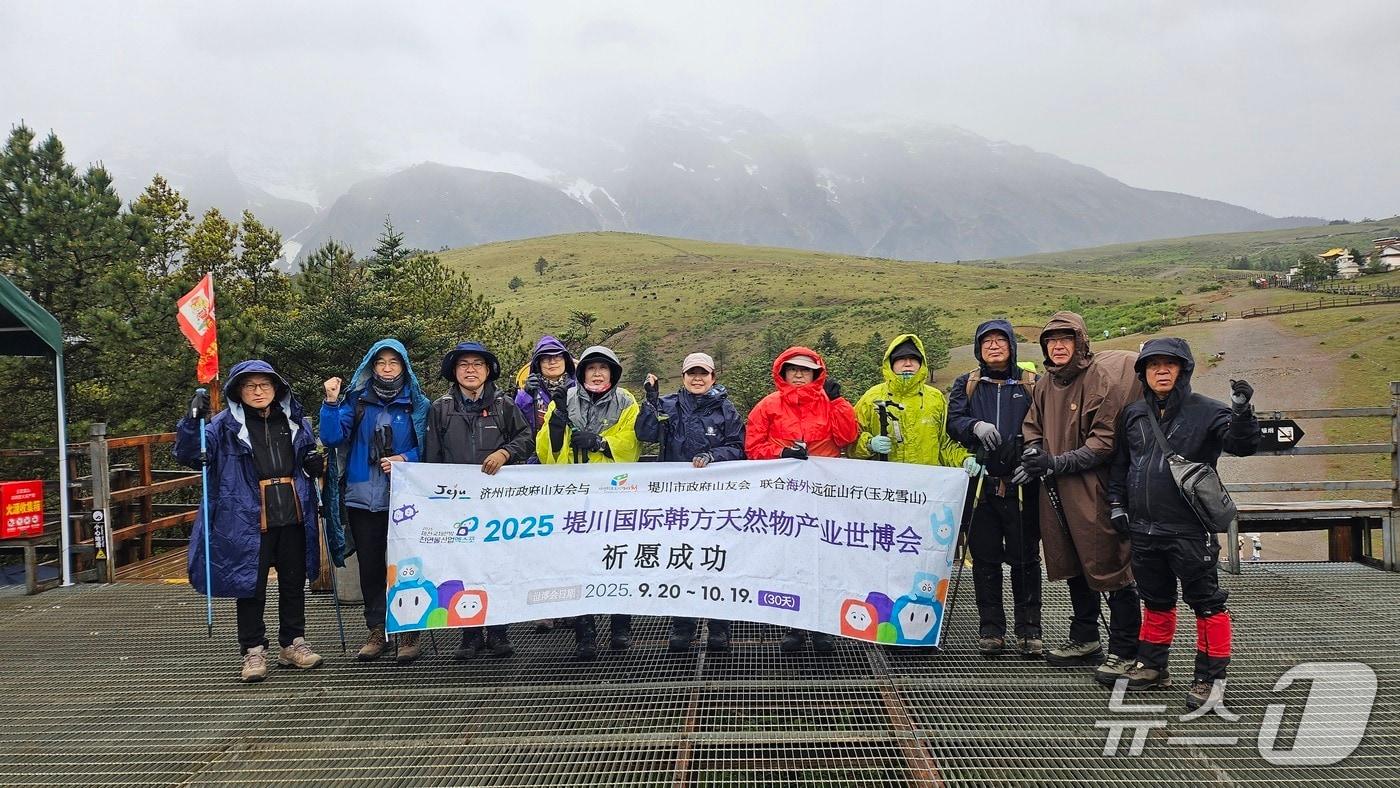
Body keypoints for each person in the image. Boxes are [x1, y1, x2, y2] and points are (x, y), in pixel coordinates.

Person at [1108, 337, 1259, 709]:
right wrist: (1116, 505)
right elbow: (1121, 465)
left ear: (1184, 369)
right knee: (1155, 600)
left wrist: (1242, 412)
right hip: (1144, 528)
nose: (1161, 371)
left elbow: (1242, 445)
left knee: (1207, 604)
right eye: (1153, 364)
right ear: (1143, 372)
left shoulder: (1208, 411)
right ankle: (1152, 666)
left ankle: (1210, 678)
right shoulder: (1133, 414)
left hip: (1190, 529)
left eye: (1170, 364)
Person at [175, 360, 325, 683]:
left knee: (293, 580)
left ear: (276, 388)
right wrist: (192, 421)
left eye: (264, 385)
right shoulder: (222, 426)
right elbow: (190, 455)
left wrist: (313, 463)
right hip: (246, 514)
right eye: (250, 386)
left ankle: (293, 643)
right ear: (238, 391)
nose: (258, 391)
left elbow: (306, 459)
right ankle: (253, 649)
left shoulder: (294, 421)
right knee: (250, 584)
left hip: (292, 509)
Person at [1017, 311, 1142, 686]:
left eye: (1065, 339)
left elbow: (1104, 443)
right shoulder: (1044, 384)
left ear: (1080, 342)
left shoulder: (1099, 379)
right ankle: (1086, 637)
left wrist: (1056, 462)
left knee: (1108, 563)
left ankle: (1126, 649)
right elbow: (1032, 426)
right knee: (1072, 561)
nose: (1057, 347)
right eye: (1051, 341)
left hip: (1092, 488)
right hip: (1054, 488)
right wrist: (1033, 452)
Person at [320, 339, 431, 665]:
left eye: (393, 362)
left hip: (404, 500)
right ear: (371, 366)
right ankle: (377, 630)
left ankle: (409, 631)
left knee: (408, 567)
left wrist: (405, 458)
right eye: (380, 362)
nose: (387, 368)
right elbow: (332, 438)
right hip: (361, 498)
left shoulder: (417, 405)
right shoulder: (355, 401)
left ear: (403, 366)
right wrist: (330, 402)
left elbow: (429, 448)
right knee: (370, 567)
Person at [745, 346, 859, 654]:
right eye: (792, 369)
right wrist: (781, 453)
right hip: (784, 496)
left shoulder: (830, 402)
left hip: (824, 495)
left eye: (805, 369)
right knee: (790, 560)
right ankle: (793, 625)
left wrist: (838, 402)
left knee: (825, 559)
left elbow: (847, 437)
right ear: (782, 373)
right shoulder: (768, 405)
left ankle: (822, 626)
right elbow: (753, 447)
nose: (798, 374)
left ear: (816, 373)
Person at [426, 341, 535, 660]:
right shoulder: (441, 408)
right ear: (454, 371)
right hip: (457, 506)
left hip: (497, 504)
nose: (470, 370)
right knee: (464, 567)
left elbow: (526, 438)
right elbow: (432, 456)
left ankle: (499, 632)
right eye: (464, 364)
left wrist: (505, 453)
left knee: (497, 566)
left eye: (477, 364)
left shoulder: (504, 405)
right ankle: (470, 634)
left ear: (488, 370)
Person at [635, 351, 746, 653]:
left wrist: (713, 456)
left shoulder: (726, 409)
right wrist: (649, 402)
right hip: (677, 501)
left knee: (717, 559)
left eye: (703, 373)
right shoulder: (668, 404)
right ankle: (683, 626)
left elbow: (738, 447)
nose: (697, 378)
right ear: (683, 376)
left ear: (713, 377)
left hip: (717, 500)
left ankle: (719, 627)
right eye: (691, 373)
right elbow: (645, 433)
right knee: (681, 559)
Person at [947, 320, 1045, 658]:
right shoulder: (968, 383)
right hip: (983, 484)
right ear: (978, 348)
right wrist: (974, 425)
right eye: (986, 341)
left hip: (1023, 484)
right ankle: (991, 630)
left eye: (1000, 340)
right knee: (985, 560)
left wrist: (1034, 457)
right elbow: (953, 422)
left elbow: (1048, 424)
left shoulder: (1032, 383)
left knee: (1026, 560)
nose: (993, 346)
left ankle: (1029, 630)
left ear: (1011, 346)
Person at [536, 345, 641, 660]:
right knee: (579, 562)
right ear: (582, 373)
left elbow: (632, 443)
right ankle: (585, 633)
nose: (597, 374)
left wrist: (601, 442)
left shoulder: (626, 401)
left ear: (613, 373)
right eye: (591, 368)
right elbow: (547, 453)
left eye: (603, 368)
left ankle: (621, 628)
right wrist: (557, 425)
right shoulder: (564, 401)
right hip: (575, 497)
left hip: (613, 496)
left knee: (617, 558)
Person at [514, 335, 576, 454]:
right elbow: (518, 421)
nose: (552, 362)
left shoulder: (578, 387)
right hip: (537, 454)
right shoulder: (529, 391)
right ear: (538, 364)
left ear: (566, 360)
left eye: (557, 356)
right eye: (546, 358)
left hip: (572, 454)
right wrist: (525, 395)